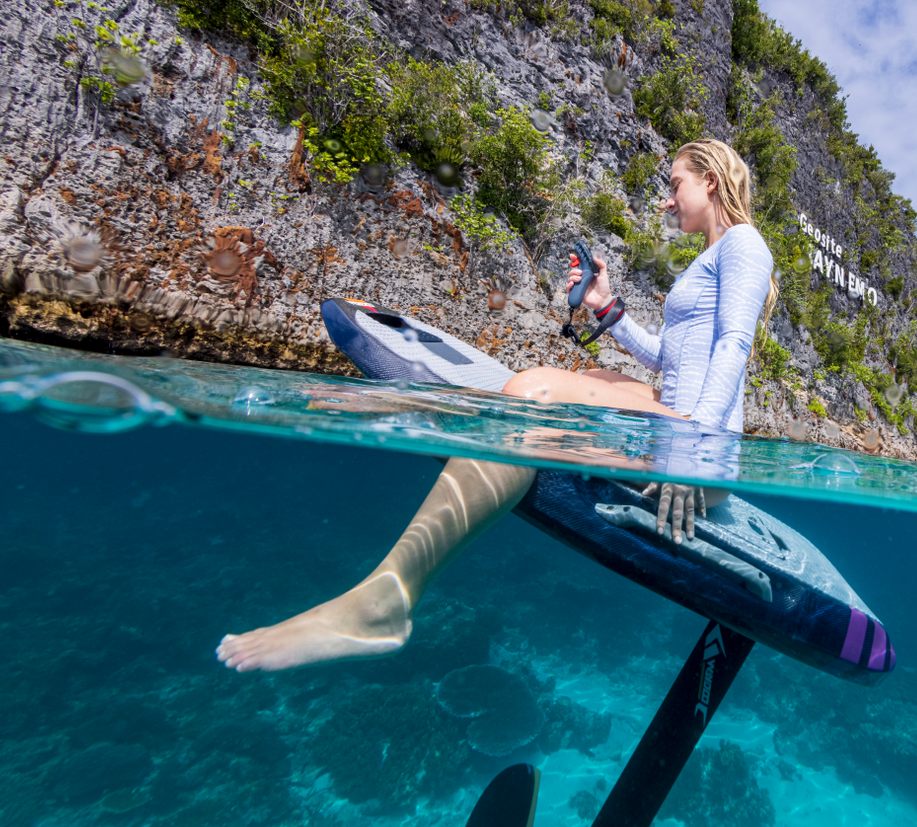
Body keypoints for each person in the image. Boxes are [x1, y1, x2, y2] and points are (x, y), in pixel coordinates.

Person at [216, 139, 777, 672]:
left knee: (533, 394)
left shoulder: (744, 244)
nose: (667, 200)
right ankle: (502, 443)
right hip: (683, 418)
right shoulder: (712, 254)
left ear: (710, 180)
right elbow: (668, 360)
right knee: (590, 378)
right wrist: (606, 308)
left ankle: (383, 604)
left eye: (675, 184)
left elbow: (735, 343)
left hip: (701, 447)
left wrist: (693, 450)